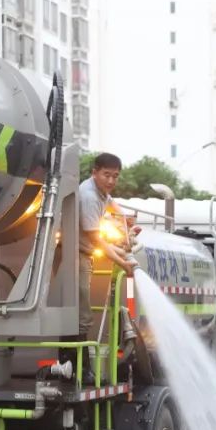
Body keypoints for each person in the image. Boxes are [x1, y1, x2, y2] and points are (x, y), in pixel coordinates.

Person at [73, 153, 139, 380]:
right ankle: (77, 369)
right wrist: (123, 262)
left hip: (83, 252)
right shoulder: (89, 196)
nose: (111, 181)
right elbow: (96, 239)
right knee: (81, 314)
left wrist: (125, 220)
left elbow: (113, 205)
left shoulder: (101, 192)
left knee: (82, 311)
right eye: (106, 175)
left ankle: (76, 367)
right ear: (95, 172)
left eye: (115, 176)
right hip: (74, 255)